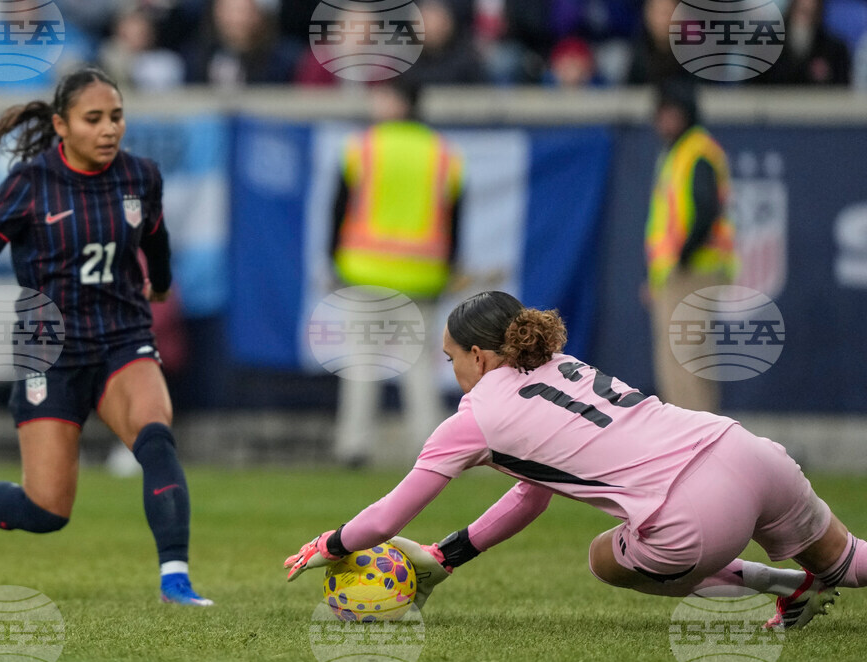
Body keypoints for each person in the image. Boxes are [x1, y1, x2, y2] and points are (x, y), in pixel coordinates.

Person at [286, 291, 867, 630]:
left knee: (602, 558)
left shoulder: (475, 417)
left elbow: (387, 521)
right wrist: (450, 554)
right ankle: (810, 582)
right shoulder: (562, 362)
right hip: (746, 452)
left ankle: (784, 584)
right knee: (851, 560)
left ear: (482, 357)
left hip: (694, 513)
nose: (452, 370)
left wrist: (332, 543)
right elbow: (533, 490)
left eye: (451, 357)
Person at [0, 67, 212, 607]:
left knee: (155, 436)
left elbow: (155, 240)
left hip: (123, 338)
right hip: (51, 351)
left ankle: (176, 581)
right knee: (46, 512)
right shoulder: (28, 184)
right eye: (94, 119)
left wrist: (160, 285)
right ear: (61, 125)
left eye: (116, 117)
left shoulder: (141, 177)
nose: (109, 129)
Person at [329, 79, 464, 468]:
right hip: (422, 275)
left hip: (365, 270)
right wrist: (447, 268)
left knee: (360, 362)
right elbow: (455, 219)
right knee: (419, 367)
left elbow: (338, 210)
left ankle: (354, 447)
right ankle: (431, 451)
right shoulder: (443, 153)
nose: (375, 101)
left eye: (382, 94)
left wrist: (334, 260)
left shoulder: (362, 148)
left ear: (399, 102)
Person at [644, 81, 736, 413]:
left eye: (671, 113)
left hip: (694, 271)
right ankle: (689, 444)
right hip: (677, 274)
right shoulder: (678, 152)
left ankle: (697, 445)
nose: (663, 120)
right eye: (660, 113)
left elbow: (707, 209)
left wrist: (681, 258)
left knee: (687, 362)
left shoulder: (695, 151)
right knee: (676, 362)